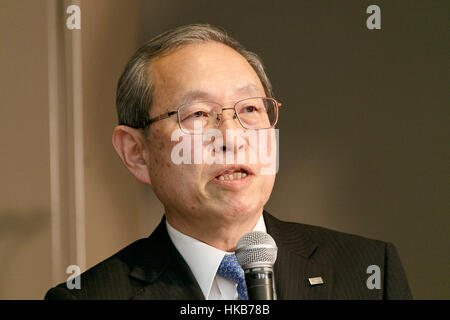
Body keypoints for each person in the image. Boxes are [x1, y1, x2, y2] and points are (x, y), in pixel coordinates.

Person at [45, 24, 412, 300]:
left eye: (250, 109)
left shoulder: (369, 270)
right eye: (198, 114)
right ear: (136, 152)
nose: (232, 137)